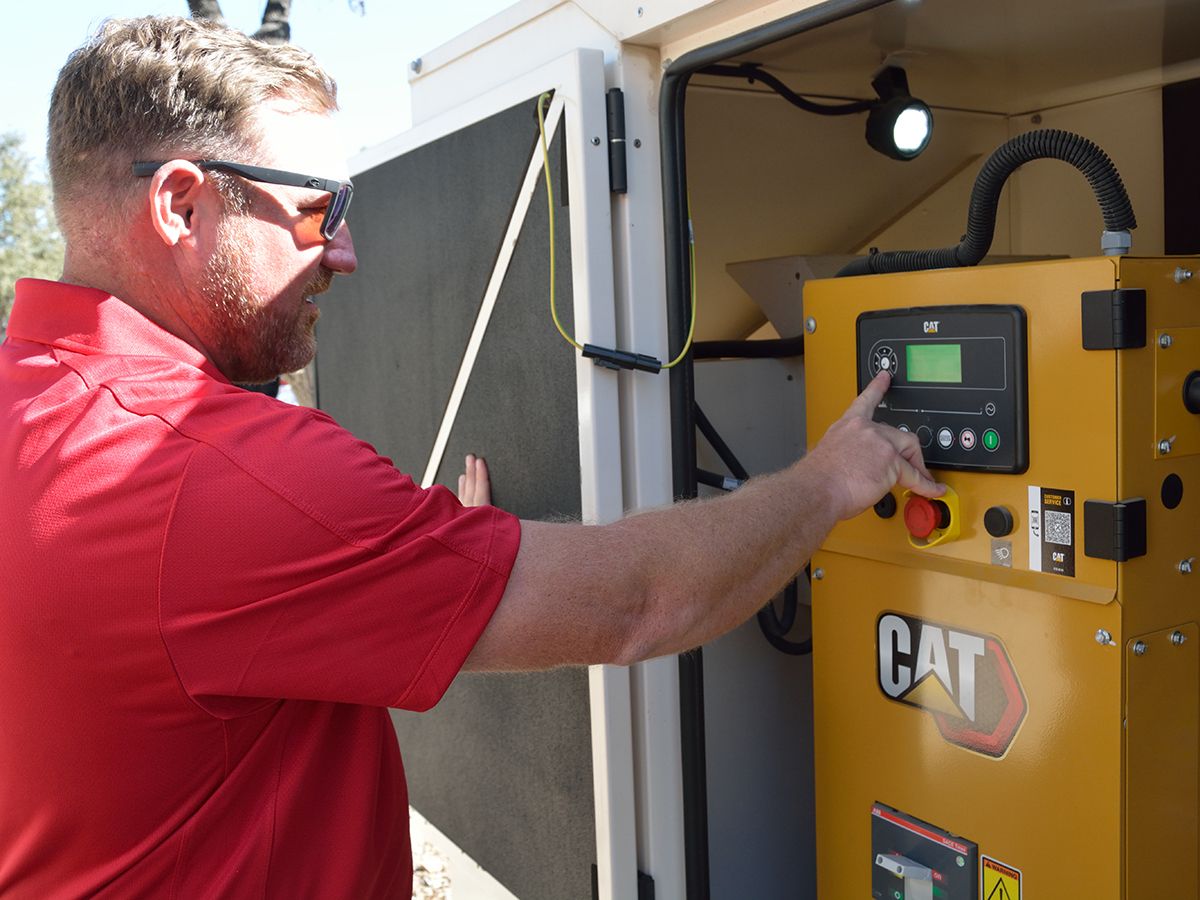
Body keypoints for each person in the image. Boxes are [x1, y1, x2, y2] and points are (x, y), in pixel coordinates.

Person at [0, 15, 942, 899]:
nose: (346, 253)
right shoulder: (215, 473)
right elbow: (641, 602)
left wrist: (425, 568)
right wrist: (831, 477)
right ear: (180, 204)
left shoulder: (29, 406)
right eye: (321, 210)